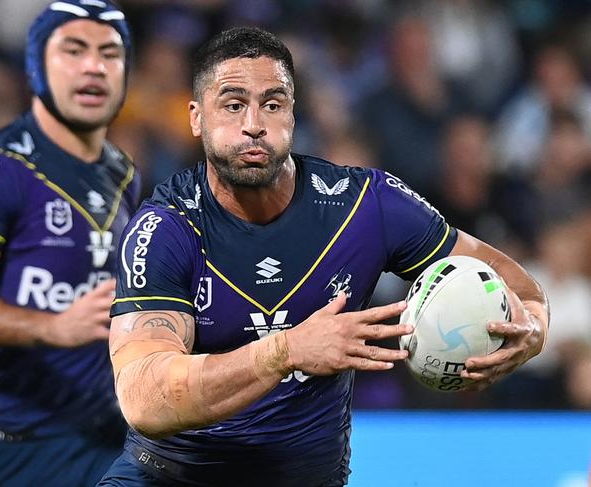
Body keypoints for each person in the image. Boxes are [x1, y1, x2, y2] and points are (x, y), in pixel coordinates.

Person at [99, 27, 548, 487]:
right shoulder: (165, 228)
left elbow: (522, 289)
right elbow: (143, 398)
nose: (254, 123)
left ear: (293, 114)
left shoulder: (366, 206)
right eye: (233, 104)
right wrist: (286, 351)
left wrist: (530, 331)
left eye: (273, 104)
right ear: (196, 118)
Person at [0, 1, 140, 486]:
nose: (94, 66)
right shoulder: (2, 170)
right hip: (3, 448)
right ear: (36, 66)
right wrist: (52, 327)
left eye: (110, 54)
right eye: (74, 50)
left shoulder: (124, 173)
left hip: (102, 443)